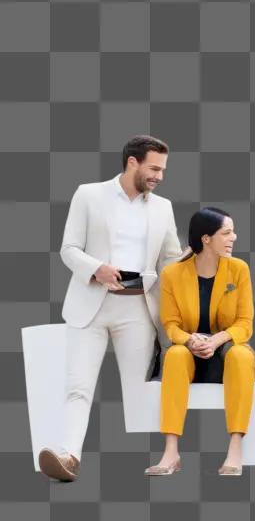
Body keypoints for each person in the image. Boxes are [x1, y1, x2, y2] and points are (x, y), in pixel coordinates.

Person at [37, 136, 181, 483]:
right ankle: (69, 457)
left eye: (163, 169)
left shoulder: (163, 207)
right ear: (132, 163)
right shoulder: (88, 194)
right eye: (154, 168)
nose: (159, 175)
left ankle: (170, 455)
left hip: (137, 311)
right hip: (90, 305)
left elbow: (172, 260)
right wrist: (97, 268)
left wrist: (195, 257)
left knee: (140, 391)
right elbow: (68, 248)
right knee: (78, 388)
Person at [146, 208, 255, 476]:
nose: (234, 237)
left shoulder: (239, 269)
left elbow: (245, 323)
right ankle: (171, 452)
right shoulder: (173, 274)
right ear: (206, 239)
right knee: (174, 355)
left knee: (241, 356)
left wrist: (217, 340)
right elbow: (170, 324)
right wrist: (190, 339)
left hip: (226, 351)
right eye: (227, 232)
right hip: (190, 350)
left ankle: (235, 447)